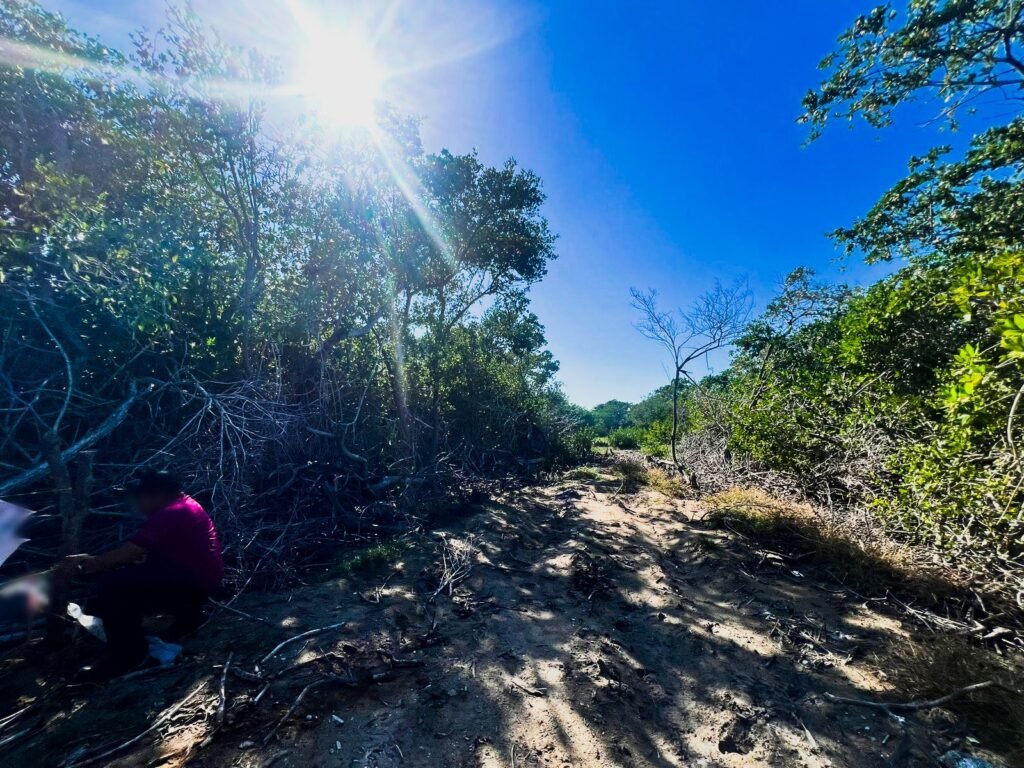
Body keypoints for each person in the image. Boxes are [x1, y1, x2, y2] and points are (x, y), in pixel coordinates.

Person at [61, 470, 223, 679]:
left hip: (195, 583)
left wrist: (87, 565)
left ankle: (127, 656)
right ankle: (188, 619)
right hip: (202, 579)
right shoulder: (186, 504)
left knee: (113, 585)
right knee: (135, 575)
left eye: (141, 497)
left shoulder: (170, 514)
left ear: (159, 494)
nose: (138, 504)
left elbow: (130, 553)